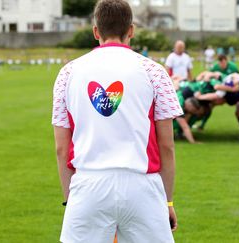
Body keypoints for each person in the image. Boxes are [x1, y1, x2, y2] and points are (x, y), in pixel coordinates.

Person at [52, 1, 183, 242]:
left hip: (88, 184)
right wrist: (168, 201)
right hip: (142, 186)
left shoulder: (68, 73)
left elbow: (62, 148)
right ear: (131, 30)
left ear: (95, 31)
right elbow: (167, 145)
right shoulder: (154, 71)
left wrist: (71, 200)